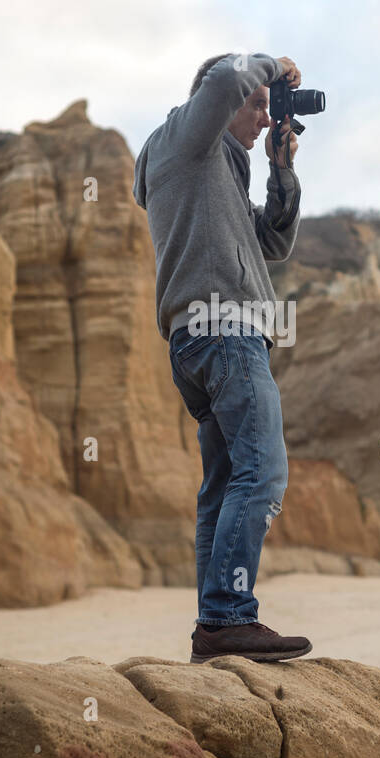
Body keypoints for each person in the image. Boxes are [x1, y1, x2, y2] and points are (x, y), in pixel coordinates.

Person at [132, 52, 313, 664]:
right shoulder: (186, 136)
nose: (266, 117)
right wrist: (271, 65)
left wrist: (280, 171)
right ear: (222, 101)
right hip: (224, 332)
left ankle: (215, 627)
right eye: (258, 104)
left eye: (269, 107)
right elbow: (224, 77)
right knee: (262, 475)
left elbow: (276, 242)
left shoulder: (217, 173)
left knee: (221, 490)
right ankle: (228, 617)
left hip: (202, 340)